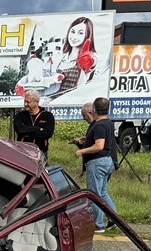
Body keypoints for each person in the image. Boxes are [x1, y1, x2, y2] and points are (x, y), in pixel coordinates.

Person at [72, 97, 116, 232]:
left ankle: (98, 224)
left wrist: (82, 151)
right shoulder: (108, 123)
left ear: (94, 110)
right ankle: (114, 219)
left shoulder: (99, 125)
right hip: (107, 161)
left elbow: (99, 145)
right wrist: (87, 139)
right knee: (102, 192)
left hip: (97, 162)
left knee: (94, 194)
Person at [45, 16, 98, 99]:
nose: (74, 37)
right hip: (50, 104)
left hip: (73, 103)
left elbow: (93, 64)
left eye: (80, 33)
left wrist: (88, 63)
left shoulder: (90, 56)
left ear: (87, 35)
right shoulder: (58, 57)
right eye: (72, 31)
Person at [12, 90, 55, 156]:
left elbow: (48, 133)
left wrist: (27, 133)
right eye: (25, 101)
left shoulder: (48, 116)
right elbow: (19, 130)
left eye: (28, 102)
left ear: (36, 103)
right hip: (23, 151)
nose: (25, 104)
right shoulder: (20, 115)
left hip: (41, 151)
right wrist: (37, 129)